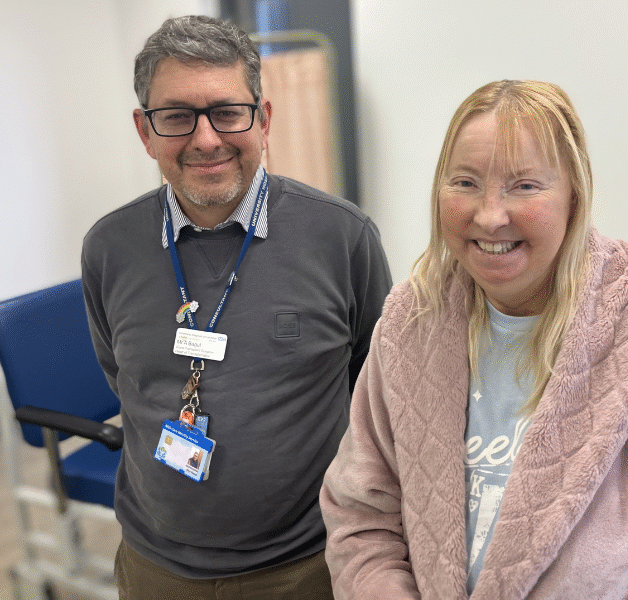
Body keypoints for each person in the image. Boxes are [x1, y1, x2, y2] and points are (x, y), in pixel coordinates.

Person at [319, 80, 628, 599]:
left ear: (574, 194)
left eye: (525, 185)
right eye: (464, 182)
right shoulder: (410, 323)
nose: (489, 215)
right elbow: (361, 519)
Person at [81, 15, 392, 599]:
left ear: (264, 119)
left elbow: (374, 387)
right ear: (144, 131)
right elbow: (124, 376)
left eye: (227, 112)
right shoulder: (108, 248)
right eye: (176, 116)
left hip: (306, 567)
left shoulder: (342, 238)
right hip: (154, 567)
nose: (205, 139)